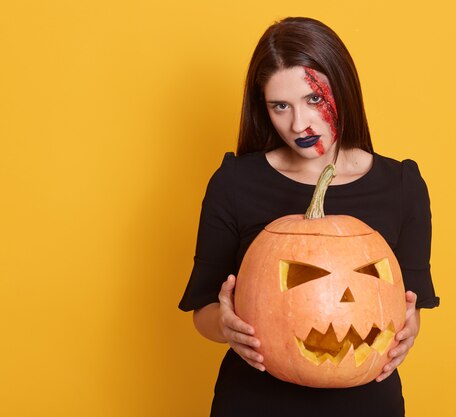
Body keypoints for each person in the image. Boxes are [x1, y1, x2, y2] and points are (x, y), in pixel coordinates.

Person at [178, 16, 440, 417]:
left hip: (367, 405)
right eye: (280, 106)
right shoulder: (235, 183)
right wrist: (226, 326)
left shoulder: (401, 186)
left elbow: (407, 303)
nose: (299, 124)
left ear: (345, 89)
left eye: (313, 99)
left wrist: (410, 330)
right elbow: (204, 310)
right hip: (255, 403)